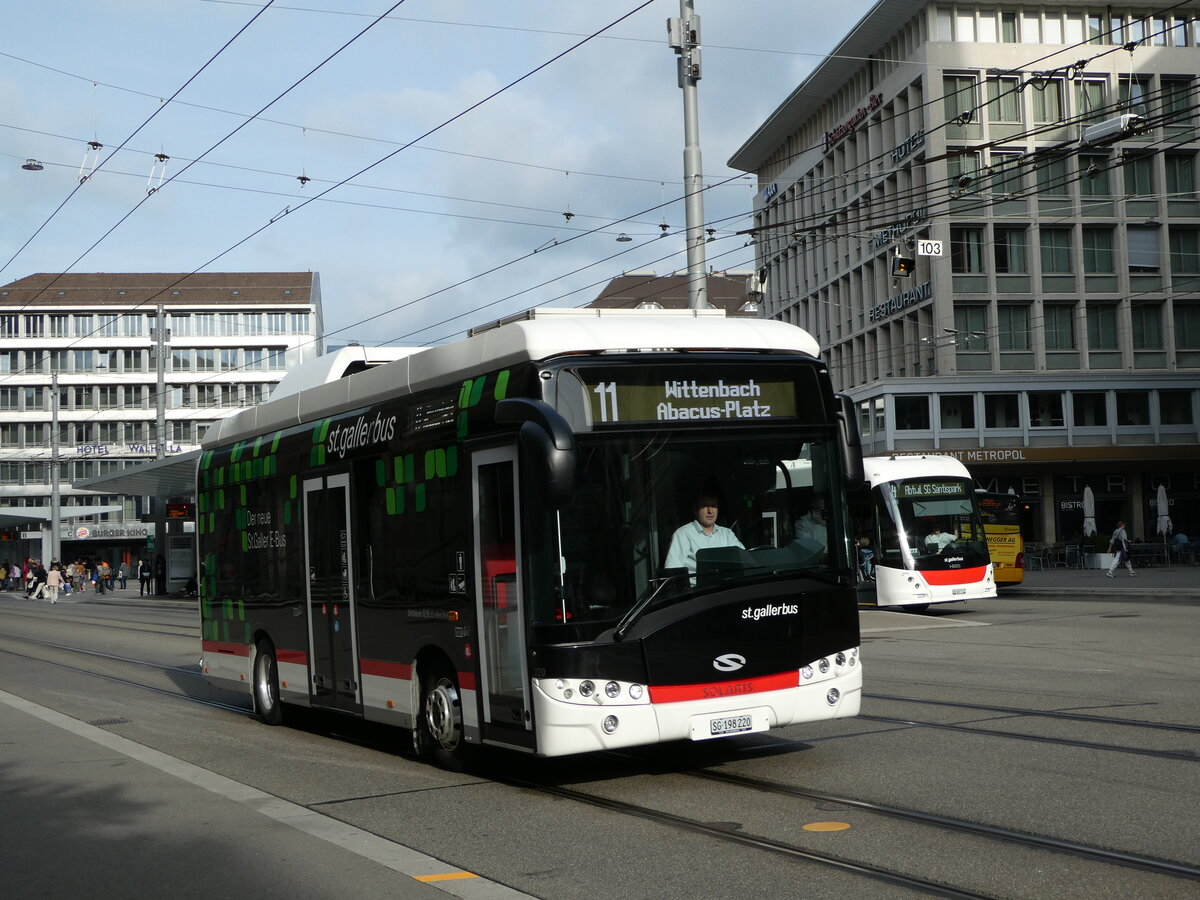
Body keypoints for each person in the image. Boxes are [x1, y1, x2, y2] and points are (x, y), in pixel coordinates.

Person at [665, 492, 744, 577]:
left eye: (714, 506)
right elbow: (672, 571)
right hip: (698, 585)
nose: (710, 511)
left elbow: (745, 560)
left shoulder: (727, 534)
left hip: (727, 583)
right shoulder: (682, 534)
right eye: (705, 506)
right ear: (695, 510)